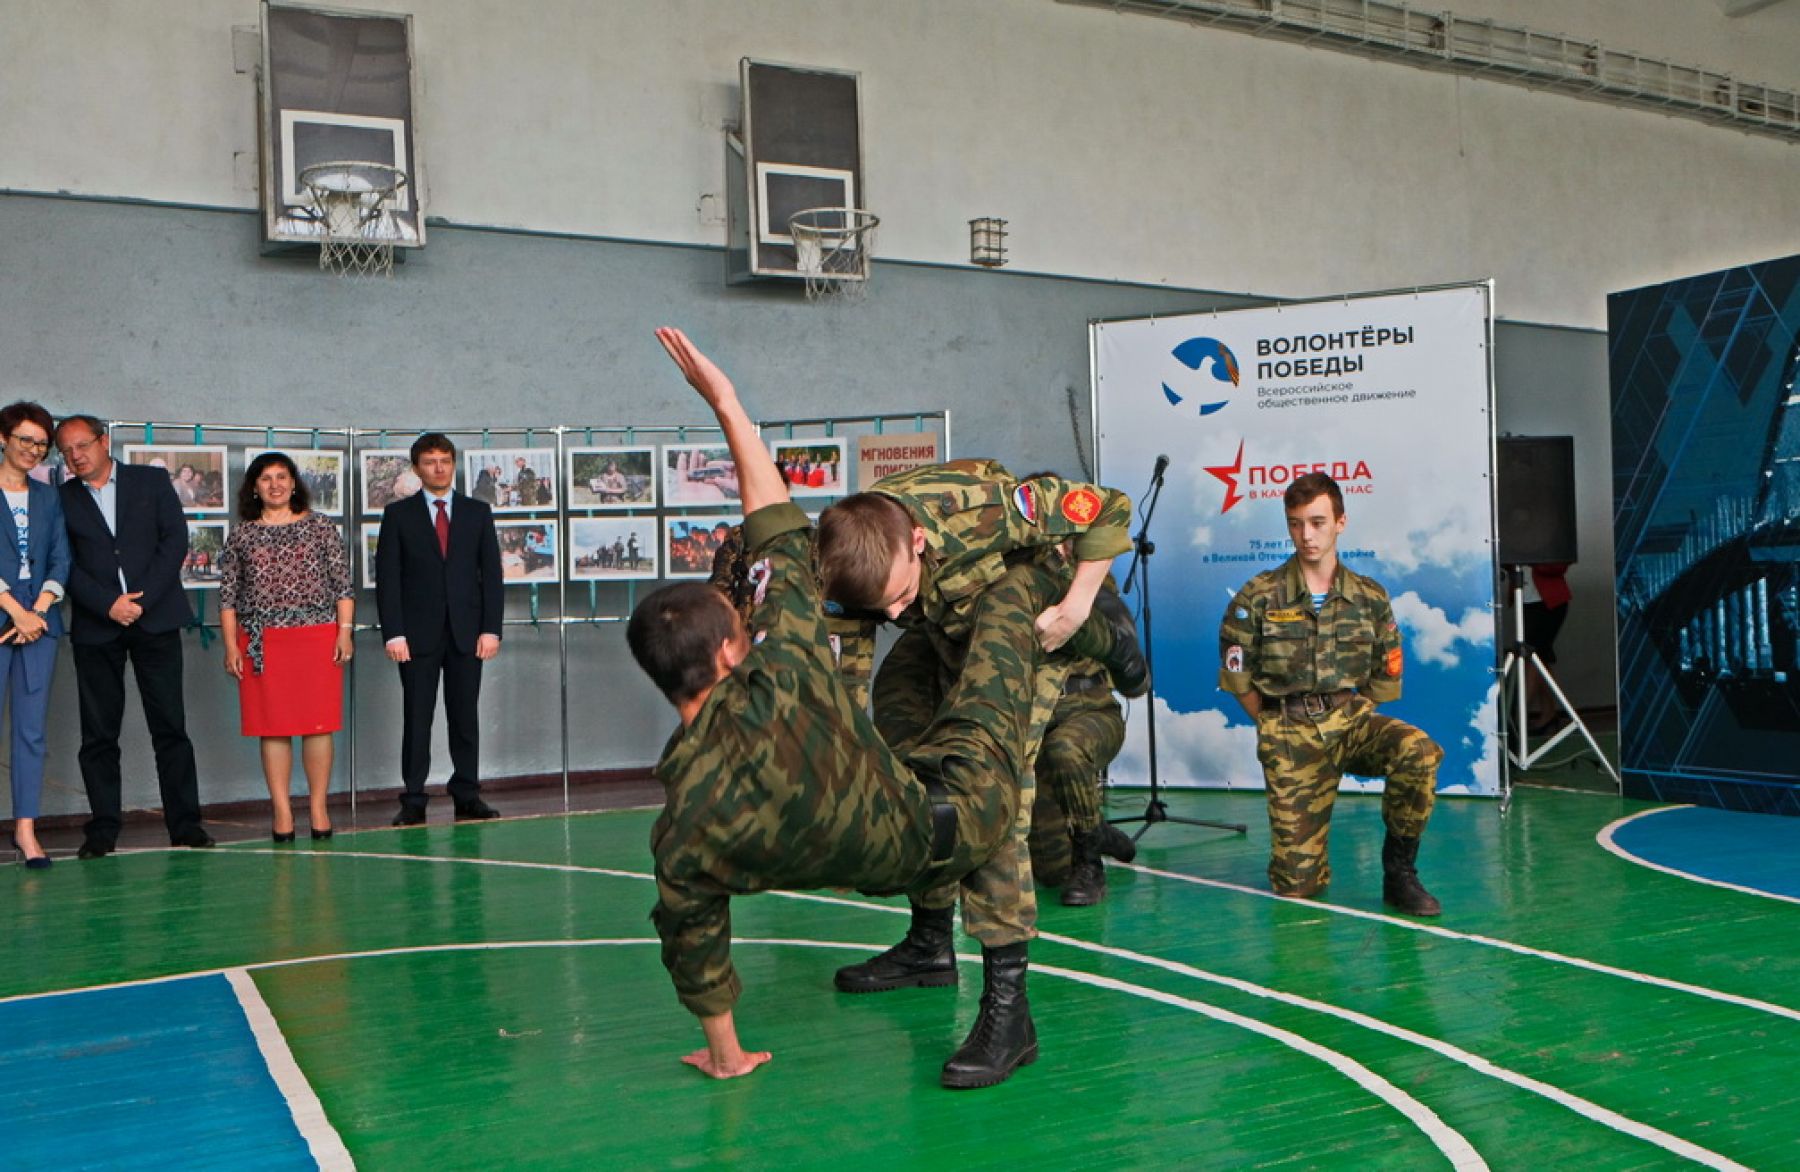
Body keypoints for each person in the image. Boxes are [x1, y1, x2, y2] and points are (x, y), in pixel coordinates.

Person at [634, 328, 1123, 1088]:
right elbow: (772, 518)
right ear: (735, 651)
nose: (889, 611)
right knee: (1001, 768)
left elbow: (692, 937)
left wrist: (725, 1055)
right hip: (946, 811)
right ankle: (999, 1001)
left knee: (983, 628)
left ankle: (1099, 628)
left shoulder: (683, 822)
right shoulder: (789, 664)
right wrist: (726, 402)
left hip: (888, 833)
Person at [815, 458, 1149, 992]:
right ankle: (929, 945)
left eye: (903, 594)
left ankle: (1007, 996)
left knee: (996, 782)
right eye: (885, 608)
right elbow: (846, 687)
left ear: (919, 540)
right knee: (914, 766)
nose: (898, 612)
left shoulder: (978, 508)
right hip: (948, 628)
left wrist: (1078, 607)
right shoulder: (840, 564)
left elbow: (1110, 505)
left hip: (1027, 618)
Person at [1217, 471, 1443, 916]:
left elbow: (1385, 669)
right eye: (1297, 523)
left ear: (1341, 522)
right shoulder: (1259, 595)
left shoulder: (1369, 597)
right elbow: (1237, 672)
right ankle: (1303, 866)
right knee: (1298, 886)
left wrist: (1350, 713)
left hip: (1352, 722)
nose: (1307, 535)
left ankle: (1400, 874)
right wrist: (1272, 722)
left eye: (1318, 522)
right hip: (1289, 734)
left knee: (1419, 752)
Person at [55, 415, 212, 855]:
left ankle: (186, 825)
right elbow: (63, 562)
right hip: (96, 626)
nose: (75, 457)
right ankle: (102, 829)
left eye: (82, 445)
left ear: (104, 442)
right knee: (98, 735)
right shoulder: (61, 498)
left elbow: (174, 540)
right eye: (65, 451)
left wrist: (142, 601)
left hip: (155, 618)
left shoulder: (150, 480)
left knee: (170, 728)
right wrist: (108, 604)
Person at [217, 452, 355, 842]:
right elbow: (227, 598)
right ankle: (281, 812)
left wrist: (344, 632)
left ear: (294, 483)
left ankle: (318, 808)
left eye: (282, 476)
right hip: (263, 640)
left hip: (316, 635)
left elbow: (343, 587)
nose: (275, 484)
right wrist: (231, 647)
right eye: (265, 478)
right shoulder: (242, 534)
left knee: (318, 726)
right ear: (254, 488)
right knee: (273, 728)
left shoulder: (322, 527)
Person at [377, 433, 504, 826]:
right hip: (416, 636)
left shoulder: (476, 513)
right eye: (430, 461)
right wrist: (394, 633)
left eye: (445, 460)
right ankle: (414, 798)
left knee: (465, 716)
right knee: (417, 717)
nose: (438, 468)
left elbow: (492, 577)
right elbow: (388, 579)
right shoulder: (398, 515)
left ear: (453, 464)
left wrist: (491, 629)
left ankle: (467, 793)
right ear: (416, 468)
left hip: (468, 633)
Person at [0, 403, 70, 869]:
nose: (32, 450)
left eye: (41, 443)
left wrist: (38, 612)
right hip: (6, 619)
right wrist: (13, 611)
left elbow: (60, 559)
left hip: (39, 628)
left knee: (31, 732)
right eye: (25, 439)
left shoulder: (48, 497)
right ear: (3, 439)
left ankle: (26, 830)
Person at [1523, 562, 1572, 733]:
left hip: (1548, 603)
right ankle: (1548, 715)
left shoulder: (1546, 537)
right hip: (1526, 602)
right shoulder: (1516, 537)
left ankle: (1516, 715)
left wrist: (1528, 557)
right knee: (1540, 659)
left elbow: (1559, 566)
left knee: (1533, 658)